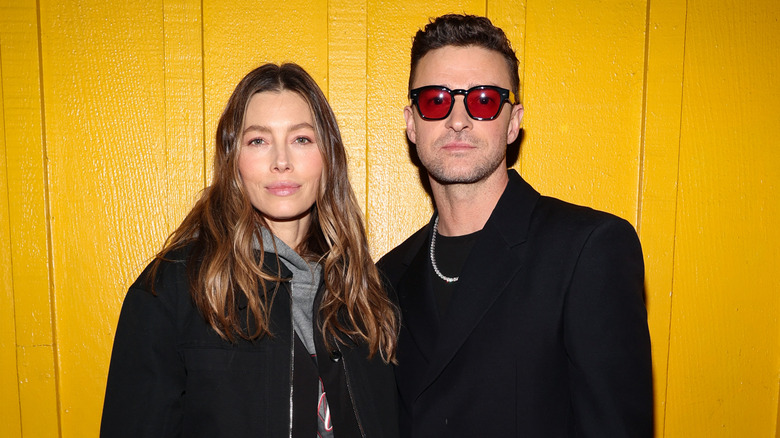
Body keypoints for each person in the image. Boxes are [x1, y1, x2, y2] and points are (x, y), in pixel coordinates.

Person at [377, 14, 653, 437]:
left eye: (483, 100)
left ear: (513, 121)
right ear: (412, 122)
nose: (458, 119)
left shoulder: (588, 250)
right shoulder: (386, 277)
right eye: (436, 100)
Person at [101, 63, 400, 438]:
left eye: (302, 139)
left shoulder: (365, 295)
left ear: (329, 156)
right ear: (233, 159)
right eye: (258, 140)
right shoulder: (173, 290)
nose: (281, 161)